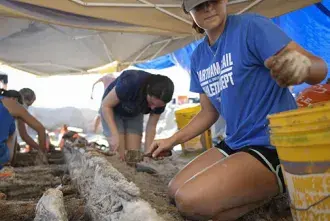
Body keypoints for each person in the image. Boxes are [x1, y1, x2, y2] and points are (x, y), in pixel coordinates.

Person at [146, 1, 328, 220]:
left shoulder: (251, 27)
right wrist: (171, 140)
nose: (208, 8)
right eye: (199, 4)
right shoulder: (199, 57)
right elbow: (208, 112)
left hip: (272, 143)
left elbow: (320, 67)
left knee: (188, 200)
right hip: (235, 141)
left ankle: (279, 183)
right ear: (189, 12)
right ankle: (256, 199)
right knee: (174, 190)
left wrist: (304, 67)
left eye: (213, 0)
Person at [101, 69, 174, 160]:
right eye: (151, 103)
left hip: (134, 112)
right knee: (120, 155)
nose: (152, 108)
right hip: (112, 110)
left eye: (157, 106)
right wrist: (114, 134)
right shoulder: (131, 82)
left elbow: (151, 126)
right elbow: (106, 106)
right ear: (147, 90)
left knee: (133, 156)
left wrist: (149, 152)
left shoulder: (161, 99)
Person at [0, 89, 47, 170]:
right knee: (13, 133)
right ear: (16, 100)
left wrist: (38, 148)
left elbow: (24, 136)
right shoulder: (15, 106)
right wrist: (42, 153)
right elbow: (40, 129)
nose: (26, 108)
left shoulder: (4, 101)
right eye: (27, 105)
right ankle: (6, 166)